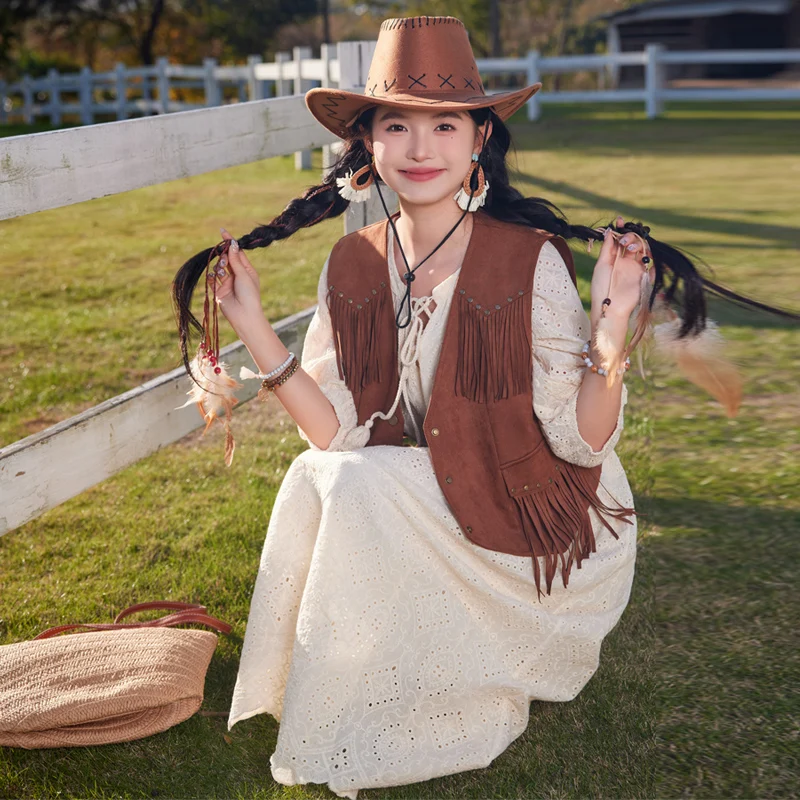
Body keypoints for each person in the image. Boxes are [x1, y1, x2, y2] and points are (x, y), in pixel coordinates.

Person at [170, 15, 798, 799]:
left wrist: (610, 329)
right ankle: (358, 674)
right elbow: (334, 433)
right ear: (367, 146)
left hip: (528, 507)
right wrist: (252, 326)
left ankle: (390, 690)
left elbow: (581, 440)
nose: (420, 148)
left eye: (445, 125)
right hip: (418, 493)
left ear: (478, 145)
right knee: (321, 473)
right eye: (396, 125)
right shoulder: (352, 261)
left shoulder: (525, 257)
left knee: (353, 482)